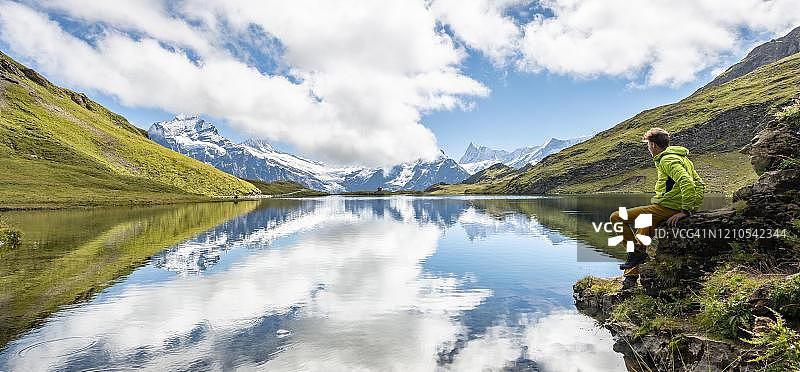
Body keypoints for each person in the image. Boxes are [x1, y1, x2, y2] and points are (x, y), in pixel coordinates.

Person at [611, 128, 705, 290]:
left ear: (653, 145)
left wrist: (685, 210)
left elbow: (688, 183)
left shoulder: (667, 161)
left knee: (617, 217)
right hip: (669, 206)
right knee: (642, 232)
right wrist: (691, 207)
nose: (648, 148)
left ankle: (637, 256)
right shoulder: (681, 158)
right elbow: (699, 184)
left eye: (648, 145)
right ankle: (631, 278)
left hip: (666, 207)